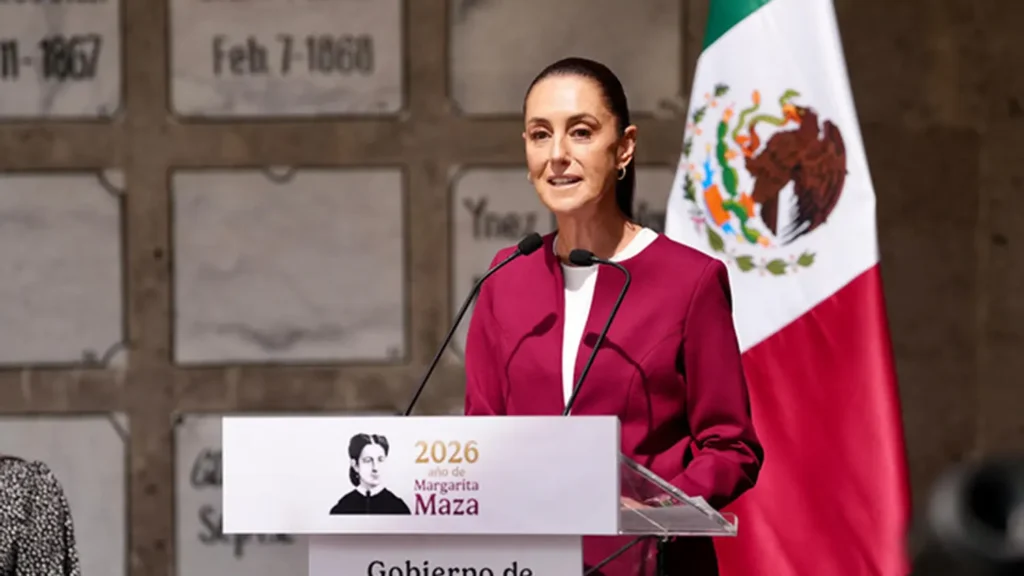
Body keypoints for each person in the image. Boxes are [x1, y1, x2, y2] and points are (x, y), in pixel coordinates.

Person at [462, 57, 764, 576]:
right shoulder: (505, 276)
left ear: (623, 146)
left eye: (580, 132)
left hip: (654, 563)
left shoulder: (689, 281)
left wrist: (661, 510)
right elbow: (481, 434)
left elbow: (730, 444)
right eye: (540, 135)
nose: (557, 155)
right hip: (527, 563)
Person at [329, 433, 411, 515]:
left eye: (380, 460)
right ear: (355, 465)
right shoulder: (342, 508)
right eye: (368, 460)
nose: (375, 468)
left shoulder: (398, 508)